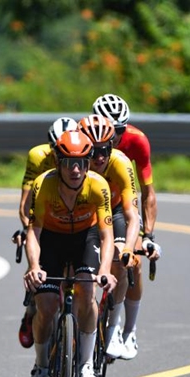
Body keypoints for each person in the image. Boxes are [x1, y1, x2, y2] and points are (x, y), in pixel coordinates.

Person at [23, 129, 117, 377]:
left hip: (84, 239)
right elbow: (34, 232)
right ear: (58, 163)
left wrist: (104, 271)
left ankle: (86, 363)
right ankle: (41, 367)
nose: (75, 169)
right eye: (67, 163)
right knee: (47, 304)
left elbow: (105, 235)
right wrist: (33, 266)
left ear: (88, 163)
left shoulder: (98, 186)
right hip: (52, 239)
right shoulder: (44, 184)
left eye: (81, 163)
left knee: (87, 293)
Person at [92, 93, 163, 360]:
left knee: (131, 260)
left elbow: (148, 194)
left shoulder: (136, 141)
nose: (114, 138)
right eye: (111, 131)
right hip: (90, 204)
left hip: (121, 204)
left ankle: (127, 330)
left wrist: (148, 236)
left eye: (119, 131)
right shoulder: (85, 135)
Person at [77, 114, 141, 359]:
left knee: (121, 262)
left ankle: (114, 326)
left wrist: (128, 249)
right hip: (83, 214)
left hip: (113, 211)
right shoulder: (72, 165)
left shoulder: (121, 163)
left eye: (106, 149)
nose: (100, 157)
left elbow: (132, 215)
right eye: (93, 151)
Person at [13, 116, 78, 349]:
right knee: (37, 259)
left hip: (72, 222)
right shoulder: (38, 157)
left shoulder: (80, 162)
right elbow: (25, 203)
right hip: (43, 215)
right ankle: (31, 311)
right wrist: (28, 227)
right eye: (55, 150)